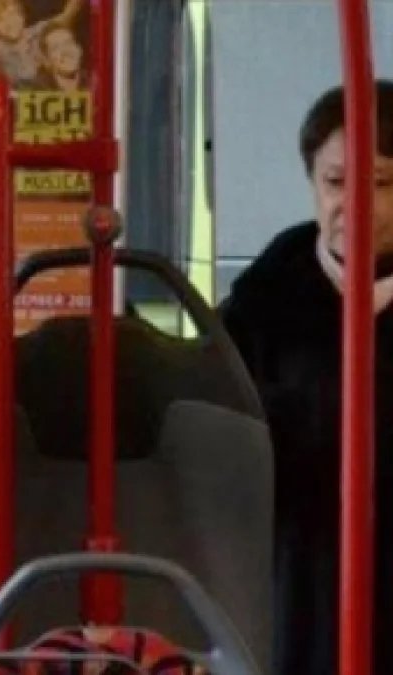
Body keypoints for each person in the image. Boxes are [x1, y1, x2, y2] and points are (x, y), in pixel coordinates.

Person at [219, 81, 393, 675]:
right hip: (298, 586)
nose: (355, 205)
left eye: (381, 184)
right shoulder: (263, 300)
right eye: (336, 183)